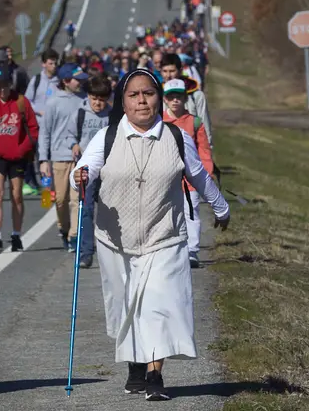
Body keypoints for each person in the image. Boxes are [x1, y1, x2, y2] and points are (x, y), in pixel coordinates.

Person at [71, 69, 229, 401]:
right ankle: (135, 363)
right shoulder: (107, 137)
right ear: (123, 102)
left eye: (148, 93)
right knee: (128, 308)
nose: (142, 100)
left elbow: (199, 176)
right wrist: (80, 176)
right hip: (116, 241)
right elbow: (83, 171)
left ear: (158, 98)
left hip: (165, 236)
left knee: (158, 305)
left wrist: (221, 207)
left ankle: (155, 375)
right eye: (134, 95)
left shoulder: (176, 137)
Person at [0, 66, 39, 252]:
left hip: (17, 156)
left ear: (10, 84)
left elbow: (33, 129)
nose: (2, 90)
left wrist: (22, 148)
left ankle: (16, 234)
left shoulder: (21, 102)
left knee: (17, 195)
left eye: (5, 86)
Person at [162, 78, 213, 268]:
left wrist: (205, 174)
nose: (175, 100)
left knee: (191, 213)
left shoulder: (194, 122)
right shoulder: (158, 121)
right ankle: (170, 249)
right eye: (171, 97)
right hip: (165, 177)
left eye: (179, 97)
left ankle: (192, 250)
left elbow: (204, 150)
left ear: (185, 99)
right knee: (167, 214)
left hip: (189, 177)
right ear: (165, 100)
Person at [39, 63, 89, 251]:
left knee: (76, 200)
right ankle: (64, 228)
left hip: (79, 158)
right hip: (58, 157)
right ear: (66, 81)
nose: (81, 83)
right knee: (60, 199)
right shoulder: (53, 102)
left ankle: (74, 236)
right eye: (78, 79)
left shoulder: (85, 99)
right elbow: (45, 132)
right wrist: (43, 159)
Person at [66, 75, 112, 268]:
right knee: (86, 210)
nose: (98, 103)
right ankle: (86, 252)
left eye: (101, 99)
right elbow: (69, 134)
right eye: (94, 99)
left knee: (108, 210)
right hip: (87, 169)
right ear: (89, 96)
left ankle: (109, 251)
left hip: (108, 169)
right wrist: (74, 144)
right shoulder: (80, 113)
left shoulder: (111, 115)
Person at [24, 48, 61, 196]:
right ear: (44, 64)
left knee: (49, 158)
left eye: (55, 63)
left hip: (53, 127)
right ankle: (37, 185)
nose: (54, 66)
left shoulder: (59, 81)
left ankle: (49, 190)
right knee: (39, 158)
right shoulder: (36, 80)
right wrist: (38, 111)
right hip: (37, 126)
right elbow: (27, 100)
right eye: (51, 63)